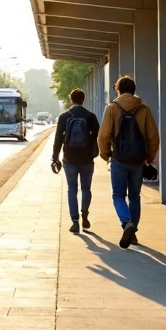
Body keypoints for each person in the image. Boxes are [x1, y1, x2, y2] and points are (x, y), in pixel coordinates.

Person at [98, 75, 160, 249]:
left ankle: (127, 224)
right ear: (134, 90)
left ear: (118, 90)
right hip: (138, 160)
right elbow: (153, 136)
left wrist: (106, 154)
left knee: (118, 195)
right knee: (134, 196)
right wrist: (150, 156)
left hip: (119, 159)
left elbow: (103, 135)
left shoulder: (112, 108)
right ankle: (133, 235)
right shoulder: (144, 109)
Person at [52, 88, 100, 235]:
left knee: (72, 189)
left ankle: (75, 222)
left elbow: (58, 139)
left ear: (71, 99)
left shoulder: (64, 117)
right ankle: (84, 214)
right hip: (87, 159)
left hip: (69, 159)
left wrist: (55, 157)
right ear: (83, 99)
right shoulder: (90, 116)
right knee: (86, 189)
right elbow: (97, 133)